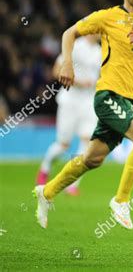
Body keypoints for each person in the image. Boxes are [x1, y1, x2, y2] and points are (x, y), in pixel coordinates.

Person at [33, 0, 133, 230]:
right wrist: (67, 64)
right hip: (108, 96)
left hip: (132, 101)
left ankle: (46, 192)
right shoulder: (107, 17)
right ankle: (121, 200)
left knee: (92, 159)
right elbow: (69, 33)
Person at [36, 35, 101, 196]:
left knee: (87, 142)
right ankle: (45, 168)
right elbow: (56, 71)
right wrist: (77, 81)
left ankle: (71, 184)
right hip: (69, 99)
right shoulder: (75, 45)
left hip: (89, 102)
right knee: (63, 145)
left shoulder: (101, 51)